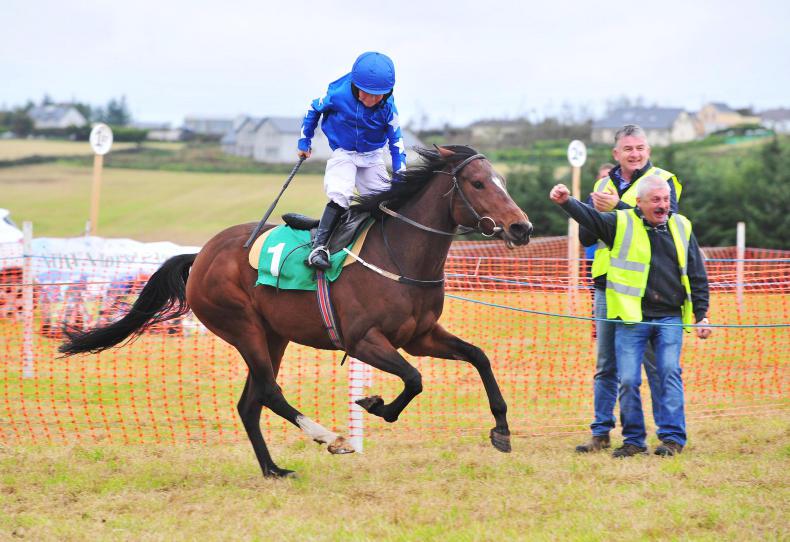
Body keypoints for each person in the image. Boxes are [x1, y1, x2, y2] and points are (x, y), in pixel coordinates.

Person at [550, 176, 711, 457]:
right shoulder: (620, 223)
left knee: (669, 372)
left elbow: (697, 273)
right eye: (656, 201)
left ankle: (672, 439)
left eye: (666, 200)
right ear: (640, 203)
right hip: (631, 318)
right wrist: (566, 202)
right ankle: (634, 441)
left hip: (670, 318)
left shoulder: (682, 226)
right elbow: (590, 218)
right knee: (627, 380)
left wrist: (701, 315)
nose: (663, 206)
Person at [575, 125, 683, 454]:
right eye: (628, 149)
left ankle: (669, 436)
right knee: (608, 364)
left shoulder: (664, 180)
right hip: (608, 288)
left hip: (651, 292)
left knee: (658, 368)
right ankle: (601, 431)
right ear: (616, 154)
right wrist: (591, 212)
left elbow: (665, 226)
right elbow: (586, 238)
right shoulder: (602, 185)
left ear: (648, 150)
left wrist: (618, 210)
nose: (635, 154)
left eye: (640, 148)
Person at [298, 51, 407, 270]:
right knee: (341, 193)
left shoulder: (388, 109)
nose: (373, 100)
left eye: (380, 95)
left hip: (373, 156)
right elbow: (313, 108)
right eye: (367, 93)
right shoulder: (337, 94)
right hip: (344, 152)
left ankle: (385, 248)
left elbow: (397, 143)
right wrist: (304, 141)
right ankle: (319, 248)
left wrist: (400, 179)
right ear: (356, 87)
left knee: (385, 202)